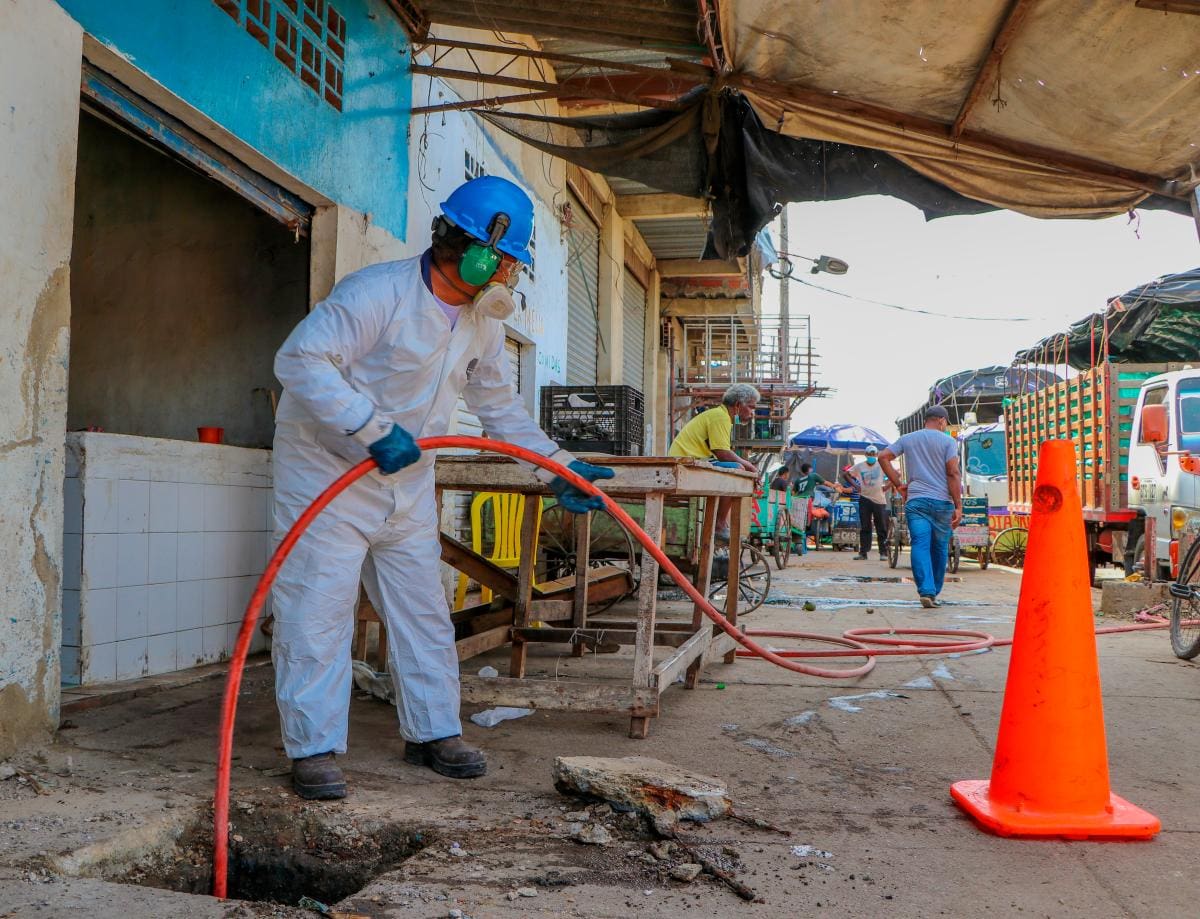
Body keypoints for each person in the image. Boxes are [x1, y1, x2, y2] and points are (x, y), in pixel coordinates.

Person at [270, 176, 614, 799]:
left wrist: (558, 466)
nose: (511, 274)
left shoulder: (480, 325)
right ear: (480, 250)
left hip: (406, 483)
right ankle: (313, 748)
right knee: (317, 612)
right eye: (509, 261)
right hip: (328, 477)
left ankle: (432, 732)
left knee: (425, 611)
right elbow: (299, 360)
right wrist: (371, 428)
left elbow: (500, 411)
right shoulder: (377, 294)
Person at [878, 405, 962, 608]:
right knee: (940, 547)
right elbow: (952, 472)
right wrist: (958, 505)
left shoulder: (908, 438)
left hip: (916, 501)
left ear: (927, 420)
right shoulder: (948, 441)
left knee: (920, 544)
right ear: (942, 421)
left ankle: (925, 590)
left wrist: (898, 485)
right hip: (942, 503)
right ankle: (933, 593)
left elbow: (883, 457)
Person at [668, 384, 760, 543]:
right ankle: (719, 524)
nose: (753, 413)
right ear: (738, 405)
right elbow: (723, 454)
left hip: (694, 461)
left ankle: (721, 522)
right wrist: (750, 467)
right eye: (751, 407)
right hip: (687, 462)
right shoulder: (720, 417)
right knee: (736, 470)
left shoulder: (721, 416)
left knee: (737, 468)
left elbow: (721, 453)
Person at [847, 445, 890, 561]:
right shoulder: (860, 466)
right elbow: (846, 474)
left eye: (873, 454)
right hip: (864, 498)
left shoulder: (882, 464)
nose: (871, 456)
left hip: (879, 500)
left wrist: (887, 487)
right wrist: (856, 486)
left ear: (876, 455)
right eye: (869, 454)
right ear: (866, 455)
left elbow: (896, 475)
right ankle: (863, 553)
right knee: (865, 526)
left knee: (881, 526)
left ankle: (883, 552)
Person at [792, 462, 850, 548]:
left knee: (799, 519)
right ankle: (806, 534)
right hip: (808, 499)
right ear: (809, 469)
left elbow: (793, 492)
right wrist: (834, 486)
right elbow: (825, 483)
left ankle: (799, 538)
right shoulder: (813, 476)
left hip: (797, 500)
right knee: (807, 520)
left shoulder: (798, 480)